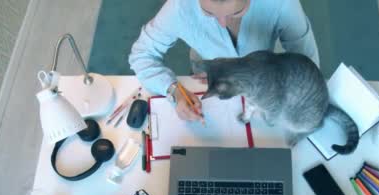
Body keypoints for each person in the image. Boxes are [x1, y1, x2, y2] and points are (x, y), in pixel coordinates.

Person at [129, 0, 320, 121]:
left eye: (236, 13)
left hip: (266, 76)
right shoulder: (179, 6)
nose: (222, 22)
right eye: (208, 14)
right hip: (206, 73)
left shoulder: (283, 3)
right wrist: (174, 91)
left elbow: (308, 65)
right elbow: (141, 55)